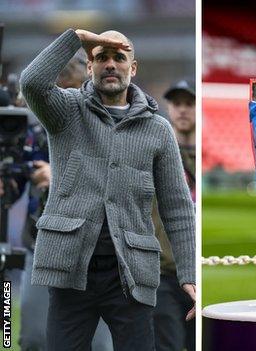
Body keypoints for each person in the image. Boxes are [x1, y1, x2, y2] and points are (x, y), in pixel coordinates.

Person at [20, 29, 195, 350]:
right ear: (89, 67)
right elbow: (31, 83)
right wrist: (75, 38)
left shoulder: (158, 129)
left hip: (131, 275)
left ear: (134, 67)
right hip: (70, 269)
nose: (110, 64)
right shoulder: (66, 111)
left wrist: (190, 273)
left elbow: (178, 208)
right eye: (101, 57)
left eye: (119, 57)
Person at [18, 52, 114, 351]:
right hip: (40, 242)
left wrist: (56, 175)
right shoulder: (31, 132)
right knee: (32, 338)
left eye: (74, 89)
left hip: (93, 250)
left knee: (98, 345)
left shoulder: (107, 125)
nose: (67, 100)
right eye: (60, 91)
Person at [153, 79, 196, 351]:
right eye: (176, 104)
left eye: (189, 103)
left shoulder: (206, 158)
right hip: (165, 271)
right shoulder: (157, 154)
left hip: (198, 273)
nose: (182, 110)